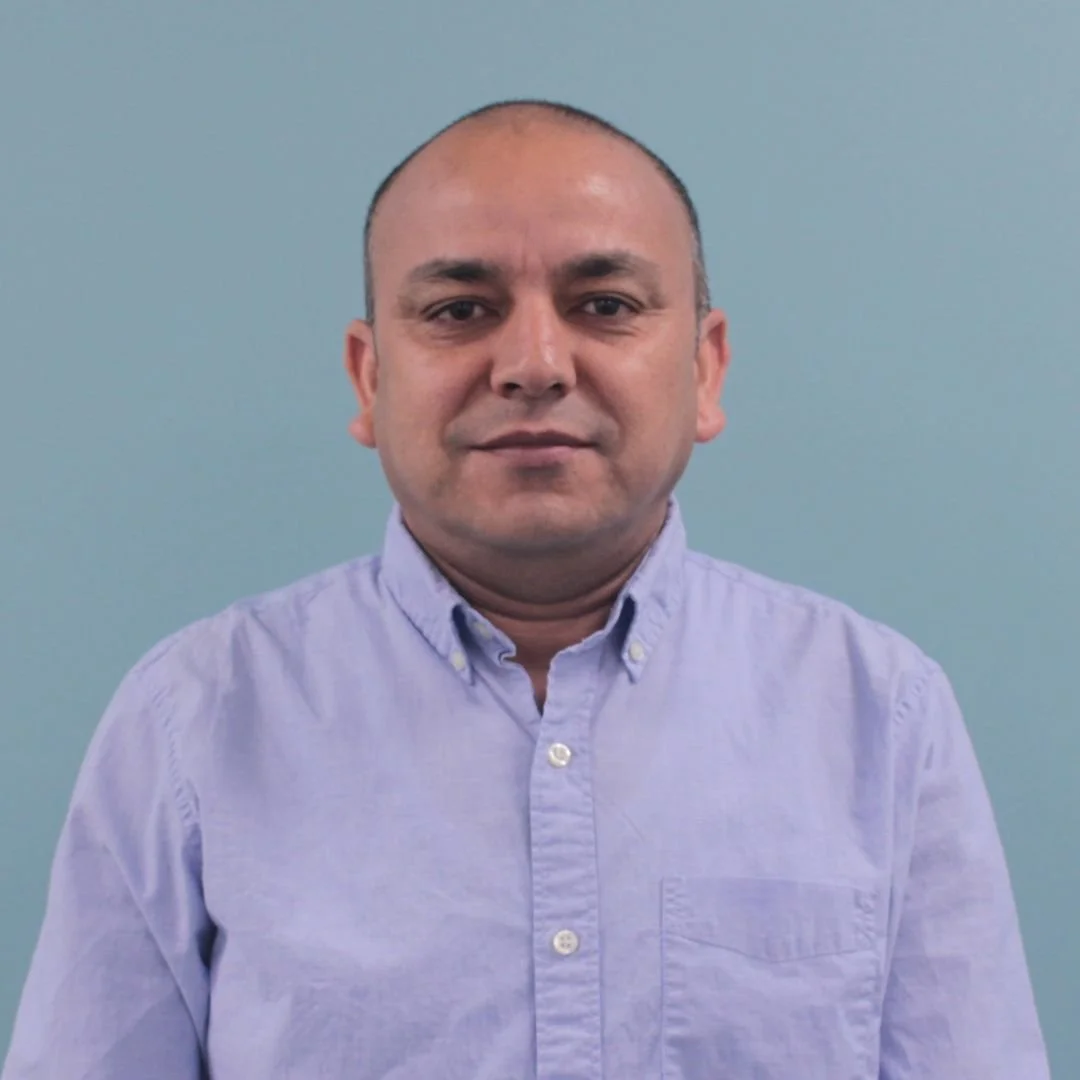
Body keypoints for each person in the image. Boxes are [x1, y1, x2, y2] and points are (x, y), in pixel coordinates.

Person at [2, 99, 1049, 1079]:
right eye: (461, 309)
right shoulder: (194, 721)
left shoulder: (880, 713)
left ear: (706, 368)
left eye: (605, 305)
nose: (535, 364)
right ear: (370, 378)